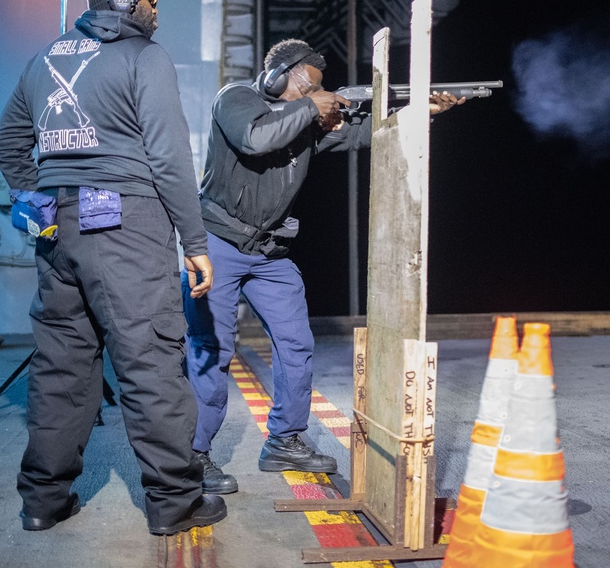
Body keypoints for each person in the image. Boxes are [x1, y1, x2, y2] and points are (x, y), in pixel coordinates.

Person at [0, 0, 226, 536]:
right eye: (151, 2)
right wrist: (193, 241)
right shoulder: (145, 57)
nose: (155, 13)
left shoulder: (43, 59)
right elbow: (170, 158)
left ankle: (42, 502)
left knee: (61, 367)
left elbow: (6, 143)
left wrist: (38, 193)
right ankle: (174, 502)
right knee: (149, 360)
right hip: (126, 222)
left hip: (57, 231)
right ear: (128, 0)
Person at [183, 39, 463, 490]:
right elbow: (256, 139)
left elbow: (362, 132)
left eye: (318, 89)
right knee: (211, 350)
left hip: (269, 251)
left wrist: (419, 111)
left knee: (296, 344)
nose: (315, 94)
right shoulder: (236, 99)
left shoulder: (303, 121)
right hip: (217, 243)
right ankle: (192, 456)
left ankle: (285, 440)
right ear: (278, 75)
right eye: (308, 85)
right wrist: (312, 108)